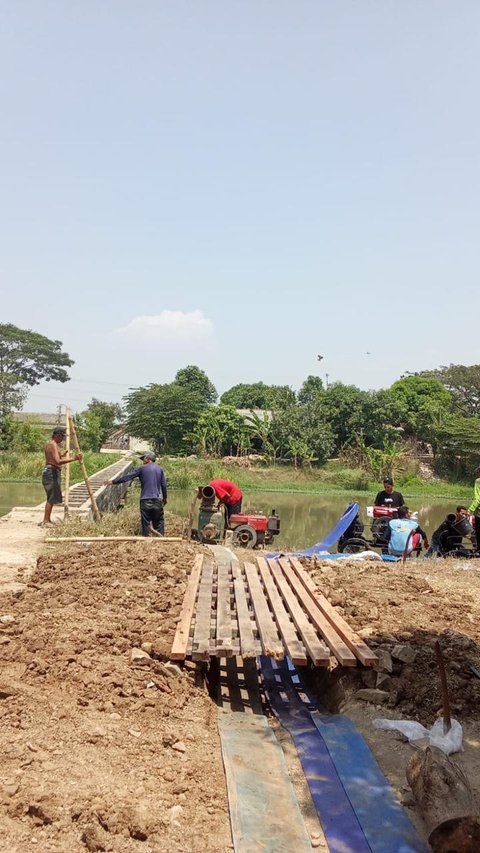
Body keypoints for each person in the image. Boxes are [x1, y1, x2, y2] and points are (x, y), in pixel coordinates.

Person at [104, 451, 167, 537]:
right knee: (159, 521)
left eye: (143, 459)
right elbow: (163, 485)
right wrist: (165, 498)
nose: (143, 461)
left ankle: (146, 540)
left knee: (145, 522)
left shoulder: (141, 469)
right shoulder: (160, 469)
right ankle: (161, 540)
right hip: (157, 500)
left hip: (145, 500)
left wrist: (113, 482)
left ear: (147, 458)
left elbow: (127, 477)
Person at [41, 426, 81, 527]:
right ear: (57, 436)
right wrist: (74, 459)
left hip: (51, 472)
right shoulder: (53, 445)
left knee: (51, 496)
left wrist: (63, 454)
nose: (63, 439)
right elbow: (57, 461)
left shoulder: (51, 444)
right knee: (51, 497)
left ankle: (47, 519)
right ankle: (46, 521)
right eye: (62, 437)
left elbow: (55, 457)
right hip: (51, 473)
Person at [468, 466, 480, 553]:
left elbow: (477, 498)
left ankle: (478, 550)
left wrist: (470, 510)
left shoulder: (478, 481)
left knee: (478, 532)